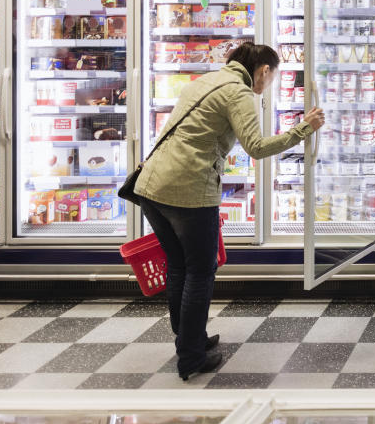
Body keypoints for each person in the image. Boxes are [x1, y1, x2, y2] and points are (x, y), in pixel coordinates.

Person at [134, 43, 324, 380]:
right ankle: (191, 358)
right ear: (263, 70)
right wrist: (303, 129)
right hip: (189, 190)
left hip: (151, 186)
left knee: (179, 267)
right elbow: (257, 147)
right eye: (271, 77)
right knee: (200, 272)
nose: (268, 84)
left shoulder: (201, 82)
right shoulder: (239, 93)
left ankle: (189, 339)